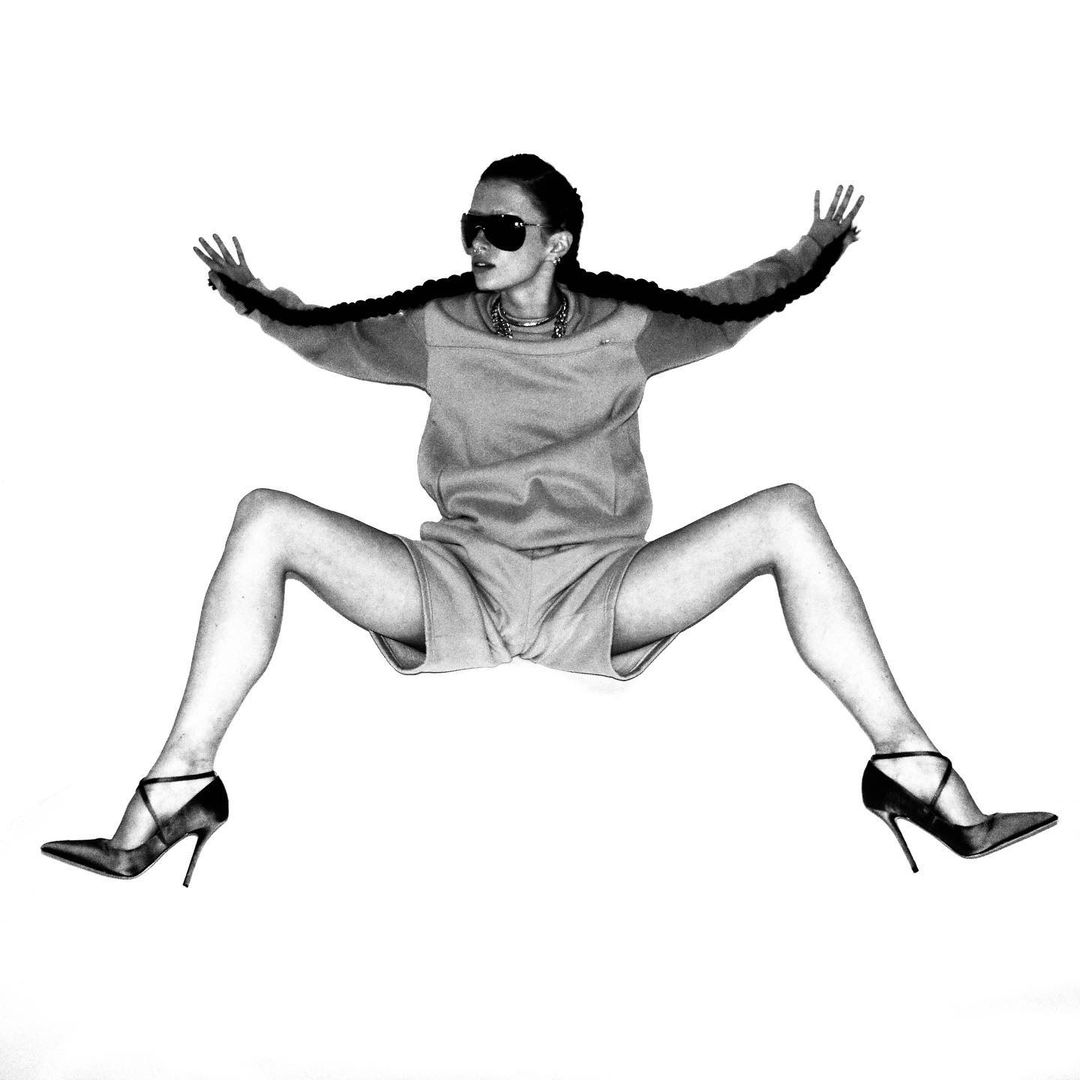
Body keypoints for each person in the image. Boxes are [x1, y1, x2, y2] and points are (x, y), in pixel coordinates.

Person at [42, 154, 1055, 885]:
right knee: (265, 516)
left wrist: (817, 245)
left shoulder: (627, 327)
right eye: (470, 227)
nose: (479, 245)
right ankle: (177, 788)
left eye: (504, 230)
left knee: (786, 512)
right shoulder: (437, 329)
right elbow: (327, 336)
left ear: (557, 243)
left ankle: (913, 769)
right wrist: (254, 295)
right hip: (458, 586)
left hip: (600, 590)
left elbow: (733, 307)